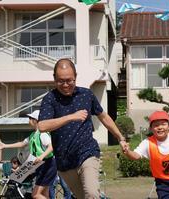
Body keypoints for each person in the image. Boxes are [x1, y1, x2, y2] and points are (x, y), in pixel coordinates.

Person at [37, 58, 127, 199]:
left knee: (91, 194)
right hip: (64, 162)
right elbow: (42, 126)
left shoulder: (86, 95)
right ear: (54, 78)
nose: (66, 85)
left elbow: (104, 117)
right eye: (61, 81)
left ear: (75, 77)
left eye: (69, 80)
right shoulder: (50, 99)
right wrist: (70, 117)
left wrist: (120, 138)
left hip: (87, 153)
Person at [0, 110, 57, 199]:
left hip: (47, 164)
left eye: (30, 118)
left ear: (35, 120)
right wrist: (5, 145)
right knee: (45, 194)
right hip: (41, 164)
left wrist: (41, 156)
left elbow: (51, 147)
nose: (28, 120)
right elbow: (22, 143)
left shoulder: (43, 134)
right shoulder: (34, 134)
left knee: (35, 194)